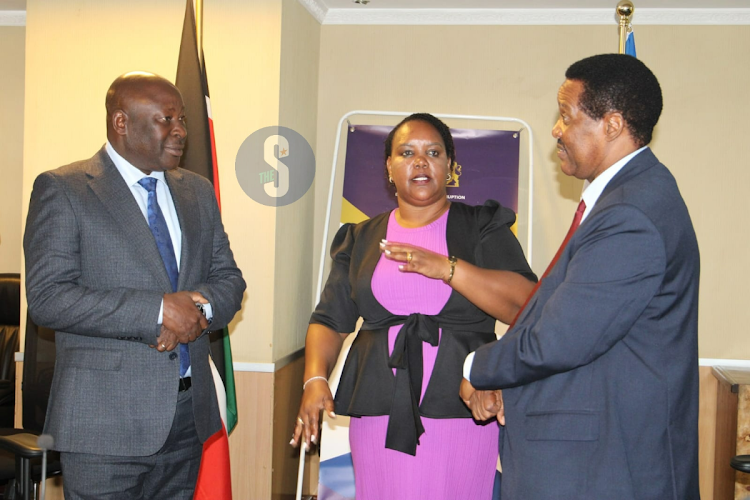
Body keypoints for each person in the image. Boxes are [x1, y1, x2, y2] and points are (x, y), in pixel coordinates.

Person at [461, 54, 700, 499]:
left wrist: (478, 367)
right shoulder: (631, 198)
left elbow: (560, 339)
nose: (556, 129)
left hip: (603, 468)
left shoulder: (630, 212)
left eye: (566, 116)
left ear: (611, 125)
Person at [23, 72, 246, 499]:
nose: (180, 130)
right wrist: (158, 311)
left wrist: (196, 310)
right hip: (104, 425)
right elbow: (49, 298)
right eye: (167, 119)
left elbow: (229, 278)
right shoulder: (64, 189)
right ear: (121, 122)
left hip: (186, 419)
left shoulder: (197, 191)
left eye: (182, 118)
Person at [292, 113, 536, 499]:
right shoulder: (360, 237)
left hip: (463, 406)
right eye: (407, 153)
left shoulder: (482, 226)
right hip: (380, 408)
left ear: (450, 167)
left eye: (433, 152)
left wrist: (446, 268)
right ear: (389, 167)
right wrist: (314, 378)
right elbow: (329, 319)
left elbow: (525, 305)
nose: (420, 162)